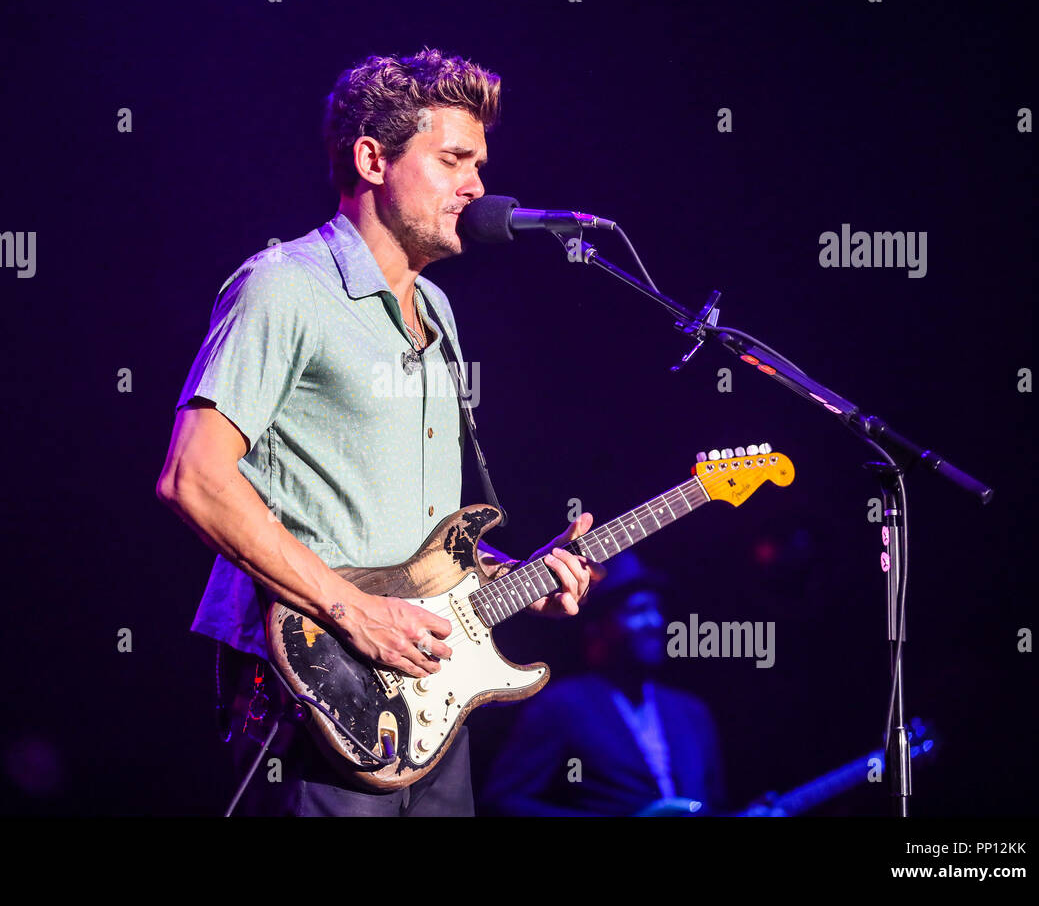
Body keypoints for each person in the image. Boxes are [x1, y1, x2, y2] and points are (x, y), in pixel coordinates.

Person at [155, 46, 606, 816]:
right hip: (318, 688)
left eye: (480, 164)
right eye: (455, 160)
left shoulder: (440, 311)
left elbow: (411, 543)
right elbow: (193, 477)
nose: (478, 186)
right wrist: (350, 609)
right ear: (372, 159)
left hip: (428, 699)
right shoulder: (284, 286)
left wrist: (518, 578)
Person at [482, 553, 725, 816]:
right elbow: (502, 801)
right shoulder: (562, 706)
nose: (655, 622)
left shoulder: (691, 712)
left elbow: (716, 804)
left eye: (657, 609)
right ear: (599, 626)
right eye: (637, 611)